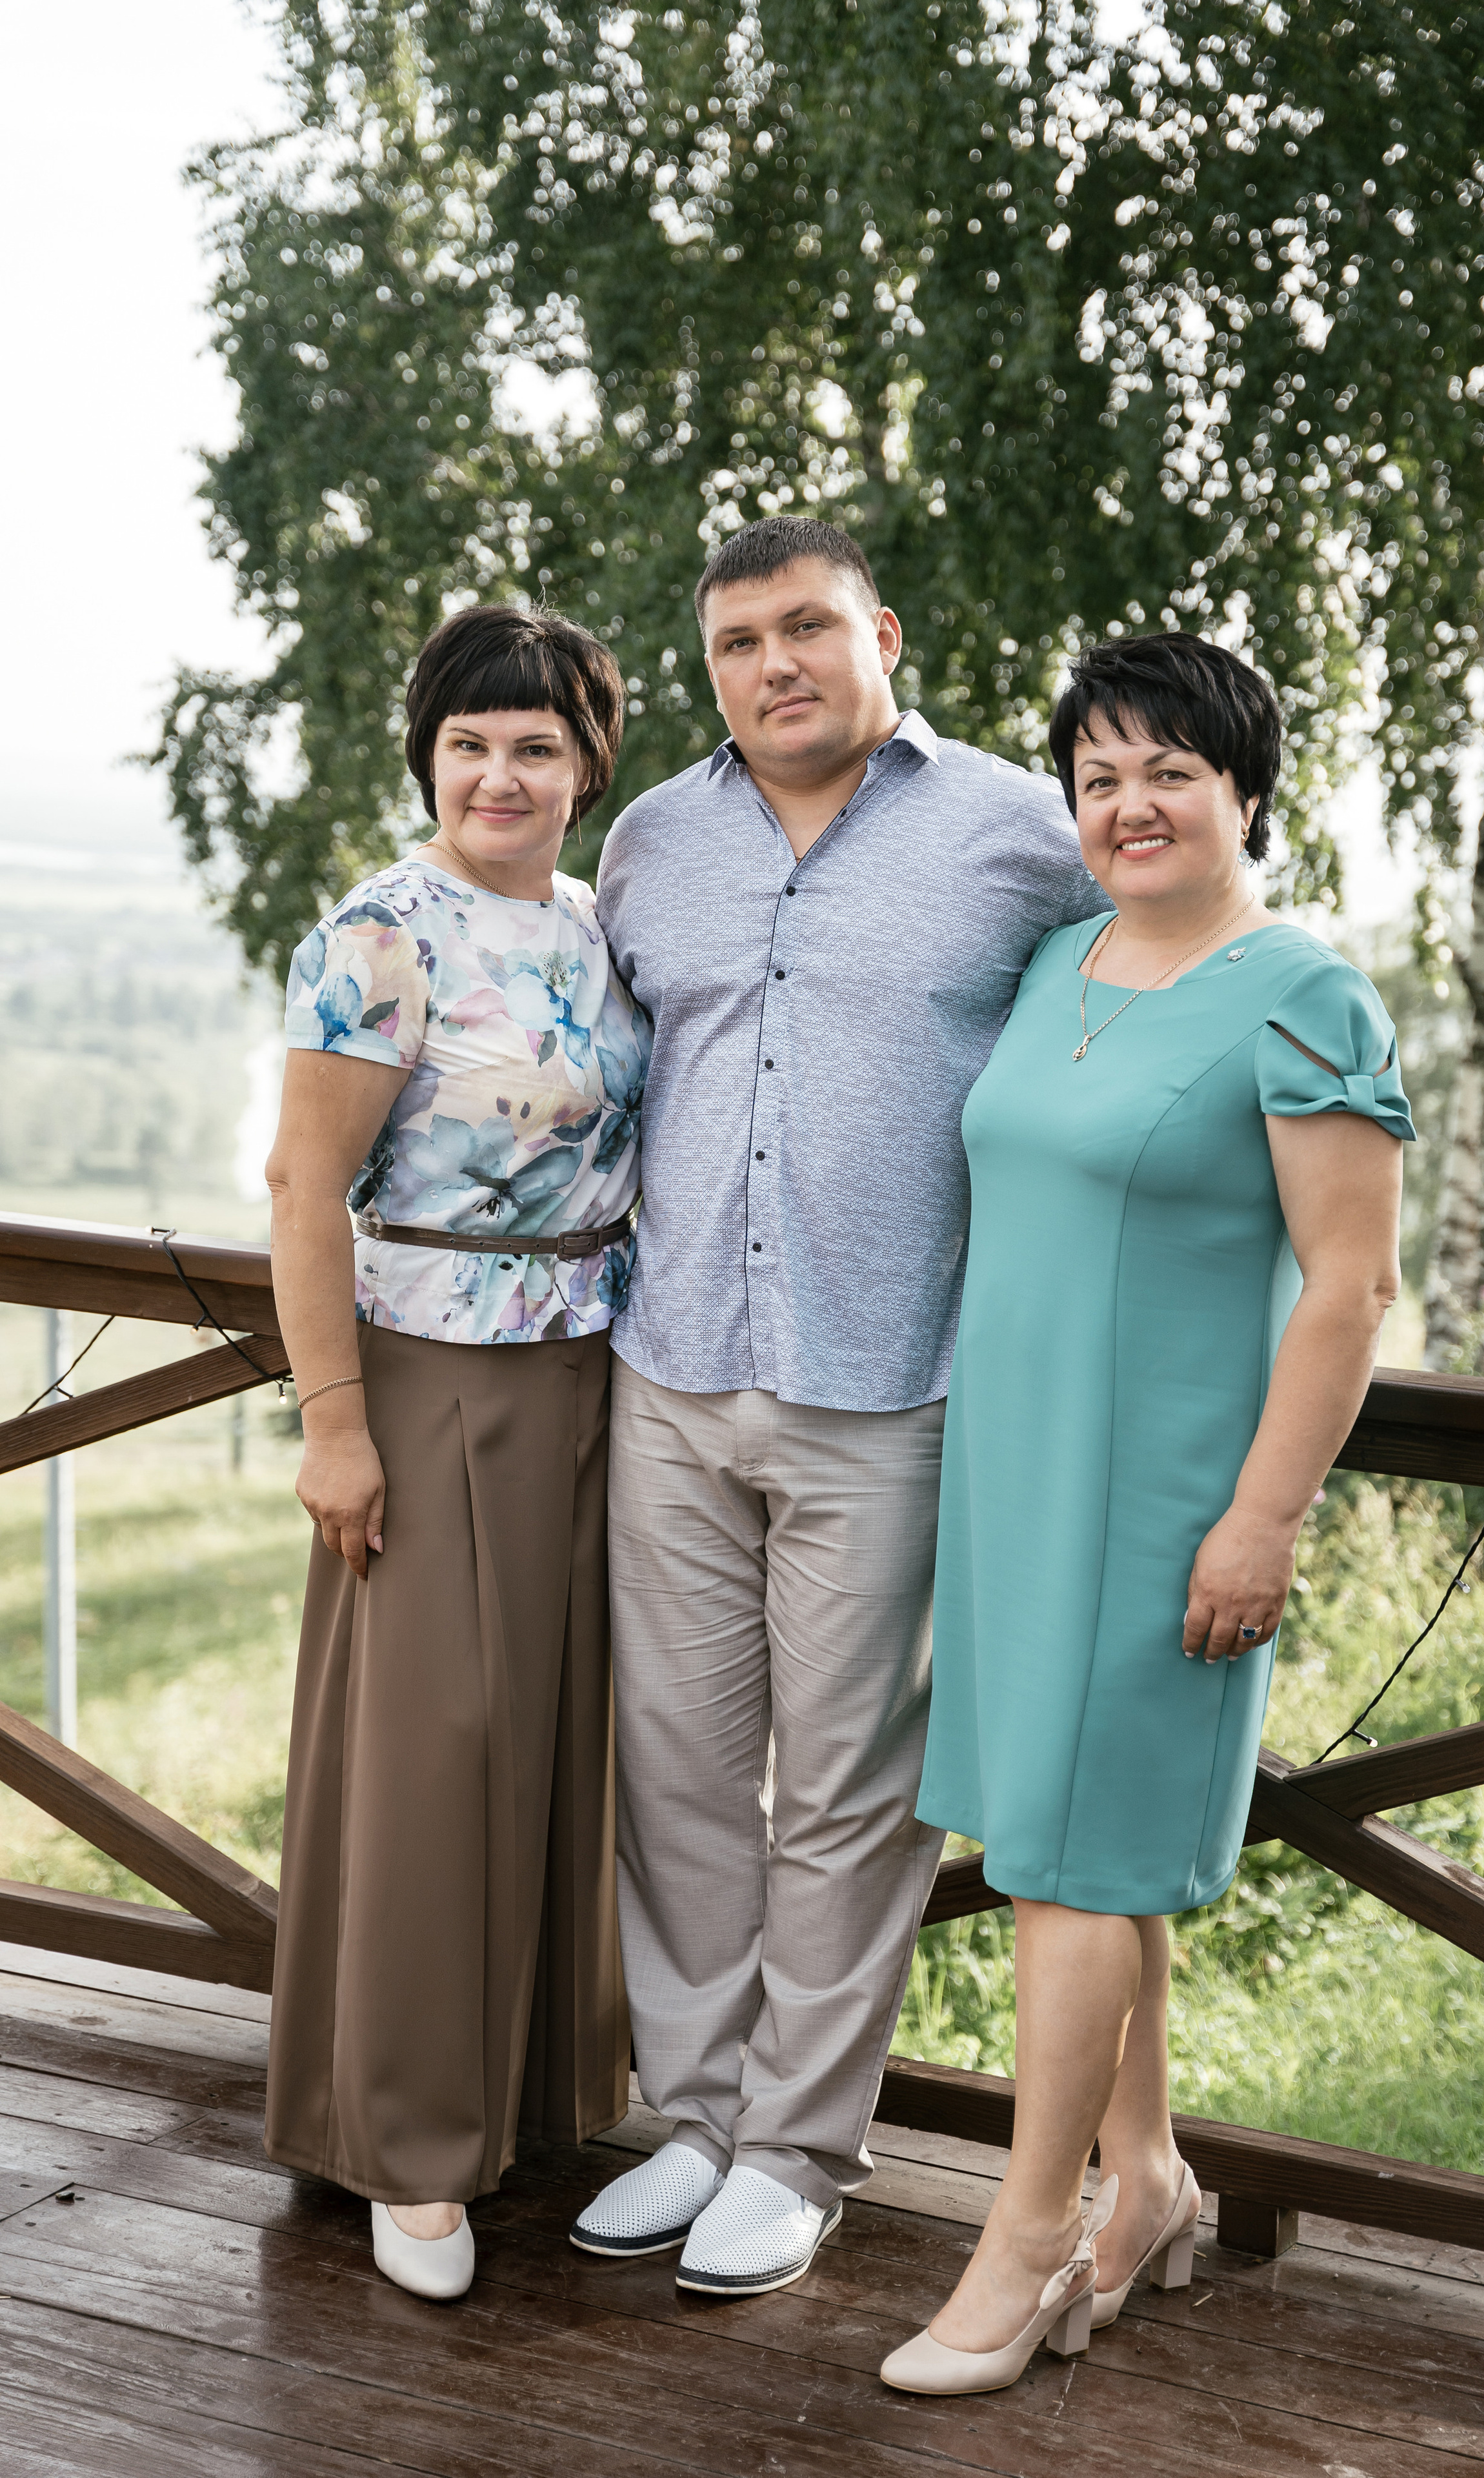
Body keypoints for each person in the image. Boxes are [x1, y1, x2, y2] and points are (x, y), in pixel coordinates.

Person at [569, 513, 1102, 2296]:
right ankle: (699, 2121)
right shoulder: (651, 844)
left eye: (807, 629)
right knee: (687, 1775)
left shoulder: (1021, 832)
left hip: (893, 1385)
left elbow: (1164, 974)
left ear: (885, 633)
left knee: (853, 1794)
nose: (774, 666)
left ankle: (798, 2149)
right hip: (669, 1373)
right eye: (736, 644)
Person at [879, 634, 1414, 2395]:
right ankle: (1148, 2177)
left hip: (1173, 1498)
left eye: (1169, 768)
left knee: (1073, 1866)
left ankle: (1026, 2245)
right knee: (1065, 1848)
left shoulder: (1304, 995)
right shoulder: (1054, 962)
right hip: (1016, 1478)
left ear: (1244, 791)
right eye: (1100, 774)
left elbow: (1348, 1288)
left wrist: (1264, 1521)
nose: (1132, 802)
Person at [263, 602, 648, 2301]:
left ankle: (539, 2100)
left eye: (538, 744)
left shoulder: (594, 919)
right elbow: (300, 1187)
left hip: (599, 1374)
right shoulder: (381, 932)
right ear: (429, 753)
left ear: (587, 767)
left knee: (568, 1742)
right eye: (470, 742)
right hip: (429, 1379)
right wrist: (335, 1422)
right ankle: (407, 2149)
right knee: (438, 1752)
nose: (500, 772)